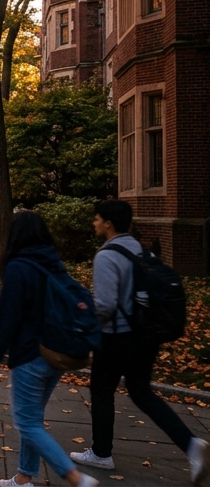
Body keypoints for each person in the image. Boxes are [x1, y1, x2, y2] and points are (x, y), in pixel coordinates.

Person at [70, 200, 208, 483]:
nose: (94, 223)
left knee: (101, 391)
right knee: (142, 392)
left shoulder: (107, 256)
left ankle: (101, 452)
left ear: (108, 223)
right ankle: (191, 444)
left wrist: (83, 321)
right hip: (145, 335)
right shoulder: (137, 247)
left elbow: (106, 305)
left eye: (97, 219)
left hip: (116, 337)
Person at [0, 210, 98, 487]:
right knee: (33, 417)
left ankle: (75, 477)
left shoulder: (18, 268)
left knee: (27, 422)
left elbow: (6, 318)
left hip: (30, 355)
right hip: (54, 352)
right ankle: (23, 478)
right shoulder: (52, 263)